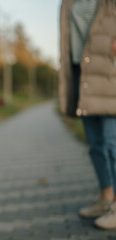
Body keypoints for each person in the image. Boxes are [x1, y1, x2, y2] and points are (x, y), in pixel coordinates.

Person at [59, 0, 116, 229]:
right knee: (95, 145)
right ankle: (106, 198)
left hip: (108, 70)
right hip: (81, 71)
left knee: (113, 143)